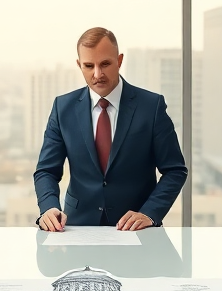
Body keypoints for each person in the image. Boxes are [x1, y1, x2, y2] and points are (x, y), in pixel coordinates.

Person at [34, 27, 187, 231]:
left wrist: (150, 212)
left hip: (137, 229)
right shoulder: (63, 108)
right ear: (79, 65)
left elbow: (175, 170)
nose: (98, 74)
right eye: (89, 66)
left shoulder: (151, 107)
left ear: (119, 60)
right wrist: (49, 208)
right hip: (76, 227)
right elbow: (46, 171)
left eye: (105, 64)